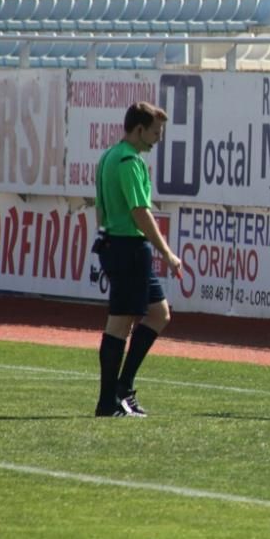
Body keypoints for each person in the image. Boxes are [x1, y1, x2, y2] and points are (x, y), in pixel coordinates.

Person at [93, 101, 182, 417]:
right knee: (119, 325)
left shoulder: (108, 156)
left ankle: (123, 387)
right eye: (155, 131)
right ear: (139, 129)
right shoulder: (131, 162)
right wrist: (168, 253)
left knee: (159, 313)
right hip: (129, 248)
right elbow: (140, 212)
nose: (158, 138)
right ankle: (107, 403)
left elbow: (100, 207)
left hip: (116, 245)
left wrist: (102, 237)